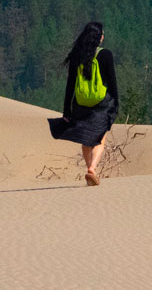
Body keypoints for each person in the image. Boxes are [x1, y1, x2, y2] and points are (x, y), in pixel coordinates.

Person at [47, 21, 119, 185]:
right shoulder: (105, 54)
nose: (103, 36)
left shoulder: (77, 55)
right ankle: (92, 168)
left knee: (86, 139)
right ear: (99, 37)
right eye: (102, 33)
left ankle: (89, 171)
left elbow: (70, 84)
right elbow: (112, 82)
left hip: (80, 103)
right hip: (101, 103)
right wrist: (116, 103)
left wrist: (66, 110)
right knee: (100, 139)